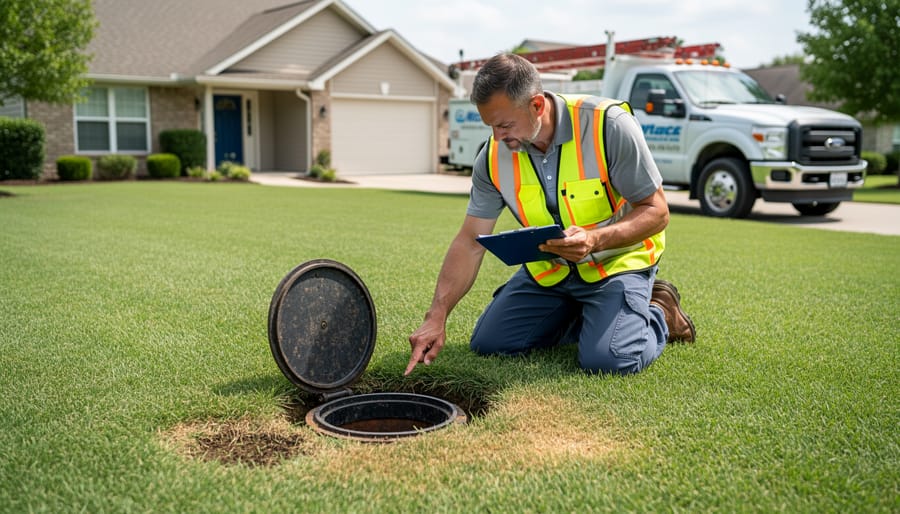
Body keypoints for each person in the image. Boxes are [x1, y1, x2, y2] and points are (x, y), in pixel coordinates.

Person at [405, 53, 695, 377]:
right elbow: (470, 240)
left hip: (615, 265)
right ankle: (592, 318)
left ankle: (659, 312)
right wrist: (437, 315)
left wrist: (595, 239)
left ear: (537, 105)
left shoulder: (608, 126)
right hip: (551, 273)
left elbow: (656, 211)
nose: (498, 137)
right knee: (490, 344)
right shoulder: (492, 156)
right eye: (491, 126)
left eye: (504, 125)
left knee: (608, 362)